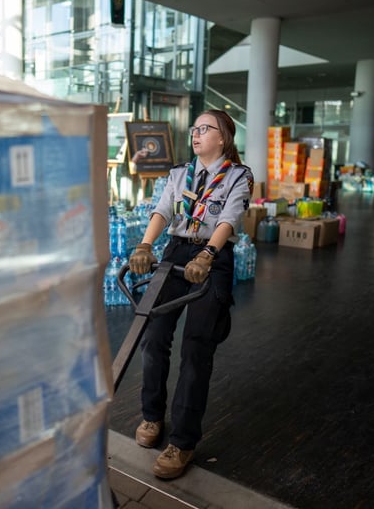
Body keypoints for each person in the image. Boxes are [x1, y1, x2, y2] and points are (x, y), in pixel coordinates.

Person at [128, 109, 253, 479]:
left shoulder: (237, 176)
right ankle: (152, 417)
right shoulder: (179, 173)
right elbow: (163, 210)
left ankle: (182, 442)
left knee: (197, 348)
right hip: (176, 252)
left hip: (212, 256)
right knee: (154, 335)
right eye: (194, 129)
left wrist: (208, 254)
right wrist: (145, 246)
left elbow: (229, 218)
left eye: (205, 129)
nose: (196, 134)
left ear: (223, 138)